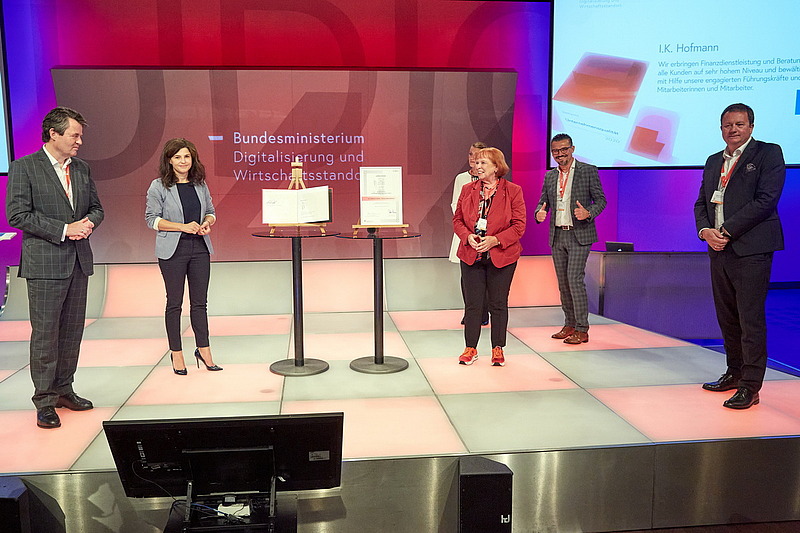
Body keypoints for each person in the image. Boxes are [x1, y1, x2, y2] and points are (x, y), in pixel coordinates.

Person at [6, 107, 104, 429]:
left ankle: (64, 390)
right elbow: (17, 215)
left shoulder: (82, 169)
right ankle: (45, 401)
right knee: (46, 335)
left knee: (72, 332)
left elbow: (96, 208)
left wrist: (88, 223)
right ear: (54, 134)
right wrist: (64, 229)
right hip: (45, 265)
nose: (79, 141)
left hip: (78, 261)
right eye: (75, 135)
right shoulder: (24, 167)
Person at [695, 103, 785, 410]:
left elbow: (766, 200)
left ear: (751, 127)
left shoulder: (768, 153)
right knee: (727, 317)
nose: (733, 129)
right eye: (727, 125)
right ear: (721, 129)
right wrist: (706, 232)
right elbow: (701, 203)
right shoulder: (713, 161)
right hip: (718, 249)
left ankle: (750, 386)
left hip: (751, 249)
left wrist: (726, 230)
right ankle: (734, 373)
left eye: (739, 124)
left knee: (750, 319)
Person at [145, 138, 222, 375]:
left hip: (200, 248)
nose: (183, 161)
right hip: (173, 251)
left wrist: (207, 223)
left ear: (193, 159)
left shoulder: (200, 184)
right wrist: (182, 227)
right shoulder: (158, 186)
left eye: (186, 156)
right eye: (177, 157)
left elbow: (211, 212)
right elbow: (151, 220)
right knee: (174, 303)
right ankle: (176, 353)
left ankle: (204, 350)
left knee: (200, 303)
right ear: (169, 160)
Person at [453, 147, 526, 367]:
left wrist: (496, 240)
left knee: (498, 304)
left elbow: (519, 225)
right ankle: (470, 348)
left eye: (483, 163)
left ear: (496, 167)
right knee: (473, 304)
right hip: (472, 254)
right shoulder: (467, 189)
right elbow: (457, 220)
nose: (478, 166)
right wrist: (467, 237)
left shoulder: (513, 191)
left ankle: (497, 348)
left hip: (502, 255)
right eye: (476, 163)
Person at [535, 133, 606, 345]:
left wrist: (588, 212)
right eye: (555, 151)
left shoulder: (588, 171)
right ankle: (570, 324)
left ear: (572, 149)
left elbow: (601, 200)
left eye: (564, 149)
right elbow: (542, 202)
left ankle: (582, 329)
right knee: (563, 283)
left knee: (574, 280)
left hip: (579, 234)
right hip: (557, 235)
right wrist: (539, 213)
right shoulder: (550, 176)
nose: (560, 154)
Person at [449, 141, 489, 326]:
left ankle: (484, 312)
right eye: (471, 154)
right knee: (466, 276)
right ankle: (470, 312)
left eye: (478, 156)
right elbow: (455, 205)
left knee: (486, 275)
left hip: (486, 235)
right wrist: (468, 227)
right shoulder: (461, 179)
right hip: (466, 233)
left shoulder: (492, 179)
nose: (473, 158)